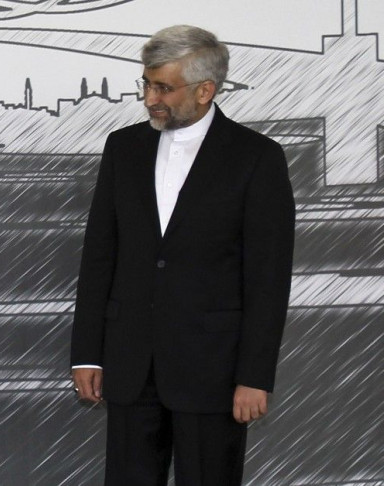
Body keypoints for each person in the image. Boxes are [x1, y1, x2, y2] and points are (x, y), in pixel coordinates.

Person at [70, 25, 295, 485]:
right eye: (147, 84)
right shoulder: (123, 148)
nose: (150, 98)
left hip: (213, 370)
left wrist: (254, 375)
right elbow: (99, 256)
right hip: (131, 366)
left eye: (163, 88)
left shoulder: (258, 157)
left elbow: (268, 279)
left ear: (205, 90)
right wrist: (87, 354)